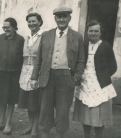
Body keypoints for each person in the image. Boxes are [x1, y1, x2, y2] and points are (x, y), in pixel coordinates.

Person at [30, 7, 85, 138]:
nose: (61, 19)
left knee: (62, 111)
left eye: (64, 16)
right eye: (58, 17)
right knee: (45, 110)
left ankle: (59, 135)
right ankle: (44, 134)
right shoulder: (46, 35)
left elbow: (81, 60)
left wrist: (75, 78)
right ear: (55, 18)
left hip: (66, 78)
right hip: (47, 77)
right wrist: (34, 77)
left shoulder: (77, 36)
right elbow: (39, 59)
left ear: (69, 18)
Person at [73, 20, 117, 138]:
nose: (93, 33)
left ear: (100, 33)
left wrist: (102, 76)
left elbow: (113, 67)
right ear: (87, 32)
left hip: (100, 85)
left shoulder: (106, 46)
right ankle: (86, 135)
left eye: (96, 31)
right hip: (85, 84)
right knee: (86, 115)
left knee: (99, 116)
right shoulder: (84, 46)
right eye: (91, 31)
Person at [0, 18, 24, 134]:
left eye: (8, 27)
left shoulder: (20, 39)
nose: (5, 29)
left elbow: (22, 57)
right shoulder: (0, 38)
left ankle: (8, 123)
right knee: (2, 98)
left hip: (14, 73)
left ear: (14, 27)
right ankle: (1, 121)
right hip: (1, 72)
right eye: (4, 27)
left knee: (11, 99)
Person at [18, 13, 43, 138]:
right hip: (25, 72)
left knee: (35, 101)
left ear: (39, 22)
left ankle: (35, 128)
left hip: (36, 72)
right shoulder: (27, 37)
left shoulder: (43, 37)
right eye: (29, 21)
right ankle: (30, 125)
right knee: (28, 102)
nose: (31, 24)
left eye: (34, 21)